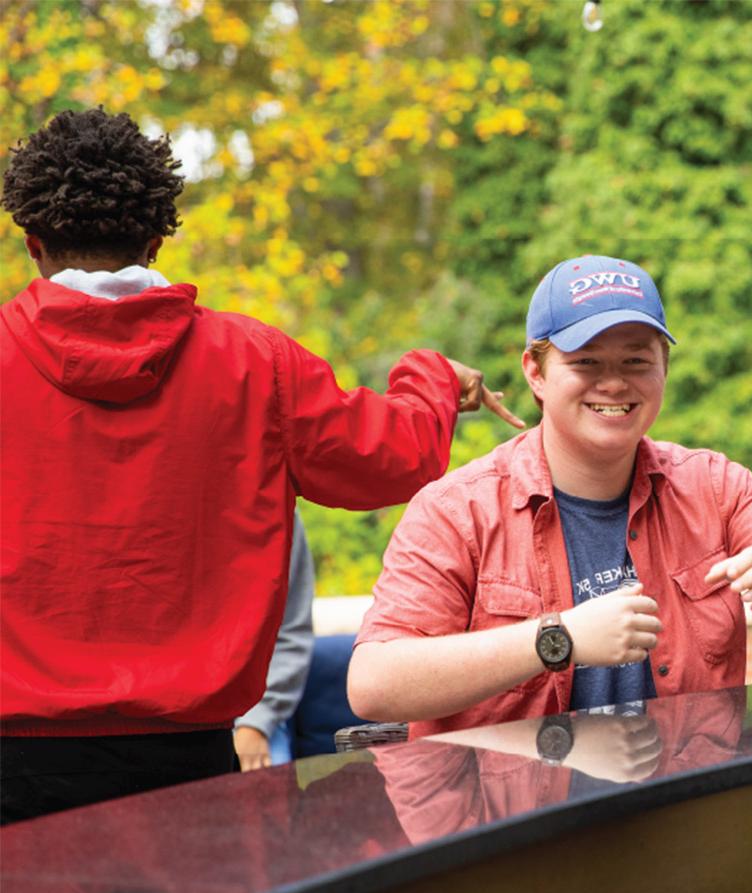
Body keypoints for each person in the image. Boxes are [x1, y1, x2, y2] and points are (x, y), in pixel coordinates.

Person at [0, 108, 518, 823]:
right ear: (154, 242)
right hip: (193, 766)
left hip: (15, 771)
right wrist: (433, 379)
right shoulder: (254, 364)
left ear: (33, 244)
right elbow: (390, 457)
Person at [348, 254, 752, 737]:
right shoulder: (457, 510)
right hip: (516, 827)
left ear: (664, 367)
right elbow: (374, 683)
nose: (614, 384)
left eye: (637, 362)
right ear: (535, 371)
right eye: (587, 363)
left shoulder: (712, 485)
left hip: (683, 807)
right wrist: (558, 640)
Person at [233, 511, 315, 771]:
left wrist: (255, 723)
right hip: (159, 724)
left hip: (253, 713)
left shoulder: (276, 512)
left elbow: (290, 634)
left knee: (267, 803)